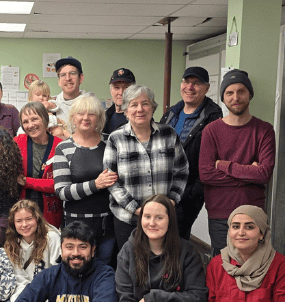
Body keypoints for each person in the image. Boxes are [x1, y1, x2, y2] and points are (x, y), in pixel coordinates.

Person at [104, 84, 189, 251]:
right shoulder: (116, 139)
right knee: (132, 268)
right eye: (133, 105)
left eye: (145, 103)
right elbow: (111, 181)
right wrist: (136, 209)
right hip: (128, 219)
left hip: (163, 218)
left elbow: (182, 171)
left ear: (153, 108)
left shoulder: (169, 134)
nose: (140, 109)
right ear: (126, 111)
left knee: (164, 264)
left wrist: (172, 200)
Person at [199, 69, 275, 256]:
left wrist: (223, 165)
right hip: (220, 212)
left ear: (250, 94)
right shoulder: (211, 131)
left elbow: (264, 174)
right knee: (222, 265)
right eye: (229, 93)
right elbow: (206, 174)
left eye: (241, 91)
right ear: (223, 98)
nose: (236, 97)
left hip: (253, 212)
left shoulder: (264, 130)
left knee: (254, 264)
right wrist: (250, 173)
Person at [53, 95, 117, 267]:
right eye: (81, 113)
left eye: (92, 114)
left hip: (107, 226)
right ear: (73, 117)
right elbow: (62, 192)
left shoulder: (110, 142)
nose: (86, 118)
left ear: (99, 118)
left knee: (103, 271)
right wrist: (95, 184)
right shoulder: (64, 148)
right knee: (77, 272)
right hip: (76, 226)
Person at [160, 66, 222, 240]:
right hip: (164, 188)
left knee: (176, 239)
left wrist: (195, 192)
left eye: (196, 83)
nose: (190, 87)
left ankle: (178, 268)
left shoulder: (213, 116)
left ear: (207, 88)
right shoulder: (171, 113)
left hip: (189, 193)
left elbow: (213, 159)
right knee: (160, 238)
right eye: (186, 82)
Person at [0, 199, 61, 302]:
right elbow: (18, 278)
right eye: (19, 221)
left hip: (49, 297)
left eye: (28, 219)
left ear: (37, 218)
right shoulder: (11, 243)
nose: (24, 225)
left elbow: (57, 275)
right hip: (26, 295)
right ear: (13, 223)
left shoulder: (52, 237)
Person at [14, 101, 63, 228]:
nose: (30, 125)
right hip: (22, 213)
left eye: (34, 119)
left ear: (45, 119)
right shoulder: (17, 143)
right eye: (25, 122)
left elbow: (59, 184)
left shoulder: (60, 146)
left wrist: (27, 182)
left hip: (50, 214)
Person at [53, 56, 93, 123]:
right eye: (63, 75)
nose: (68, 78)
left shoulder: (92, 104)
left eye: (72, 74)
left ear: (81, 78)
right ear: (59, 81)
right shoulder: (53, 105)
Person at [103, 67, 136, 136]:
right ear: (111, 90)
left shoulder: (139, 117)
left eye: (126, 87)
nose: (121, 93)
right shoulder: (104, 116)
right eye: (116, 88)